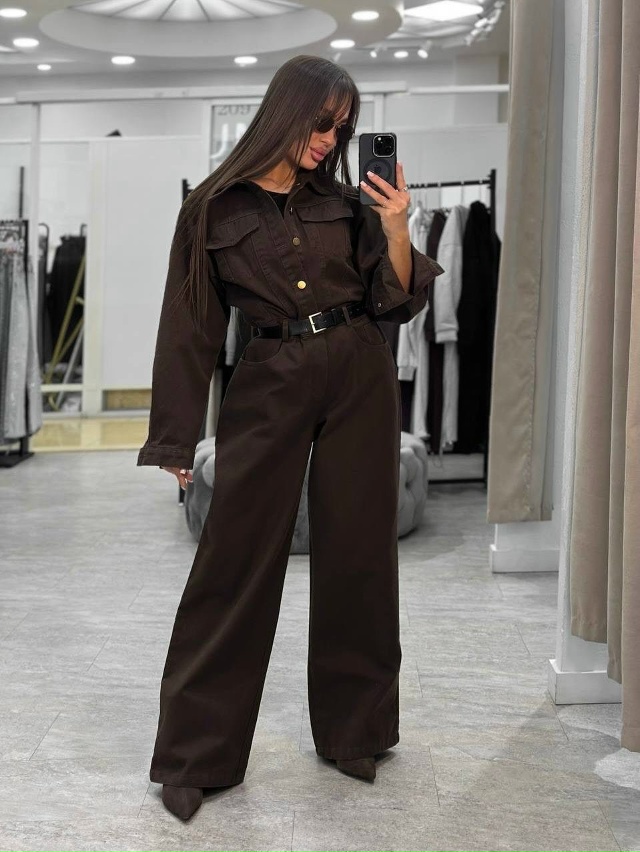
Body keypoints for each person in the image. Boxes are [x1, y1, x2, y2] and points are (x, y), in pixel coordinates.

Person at [137, 54, 444, 821]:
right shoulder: (211, 209)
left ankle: (356, 732)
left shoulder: (346, 203)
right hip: (269, 374)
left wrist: (396, 226)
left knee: (359, 555)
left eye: (342, 126)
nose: (331, 137)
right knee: (233, 560)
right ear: (285, 110)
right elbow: (189, 327)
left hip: (358, 369)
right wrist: (176, 441)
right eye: (321, 121)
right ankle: (195, 756)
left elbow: (395, 300)